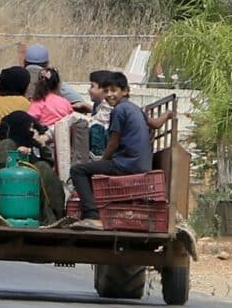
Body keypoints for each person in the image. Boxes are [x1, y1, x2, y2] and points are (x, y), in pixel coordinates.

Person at [70, 71, 155, 230]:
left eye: (114, 90)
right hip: (141, 164)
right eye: (107, 91)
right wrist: (169, 115)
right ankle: (93, 211)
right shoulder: (135, 108)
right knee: (91, 169)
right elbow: (155, 124)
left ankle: (92, 215)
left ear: (125, 91)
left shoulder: (119, 110)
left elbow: (113, 142)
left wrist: (103, 160)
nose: (109, 95)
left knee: (77, 170)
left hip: (127, 164)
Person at [23, 44, 91, 114]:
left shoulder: (17, 77)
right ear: (47, 64)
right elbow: (78, 101)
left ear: (24, 62)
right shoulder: (51, 79)